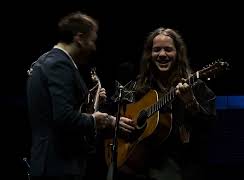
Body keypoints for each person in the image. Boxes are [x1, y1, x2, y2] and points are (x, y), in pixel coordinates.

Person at [26, 11, 134, 179]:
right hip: (59, 166)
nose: (94, 47)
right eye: (92, 40)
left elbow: (56, 110)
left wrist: (92, 102)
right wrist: (99, 120)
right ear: (79, 38)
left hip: (51, 164)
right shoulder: (60, 64)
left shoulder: (47, 60)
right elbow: (64, 117)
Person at [104, 27, 217, 180]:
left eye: (168, 49)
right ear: (149, 54)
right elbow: (112, 112)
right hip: (135, 163)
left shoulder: (195, 86)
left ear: (178, 54)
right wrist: (116, 121)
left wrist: (191, 102)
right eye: (157, 49)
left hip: (179, 165)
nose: (162, 54)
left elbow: (210, 125)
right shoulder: (137, 87)